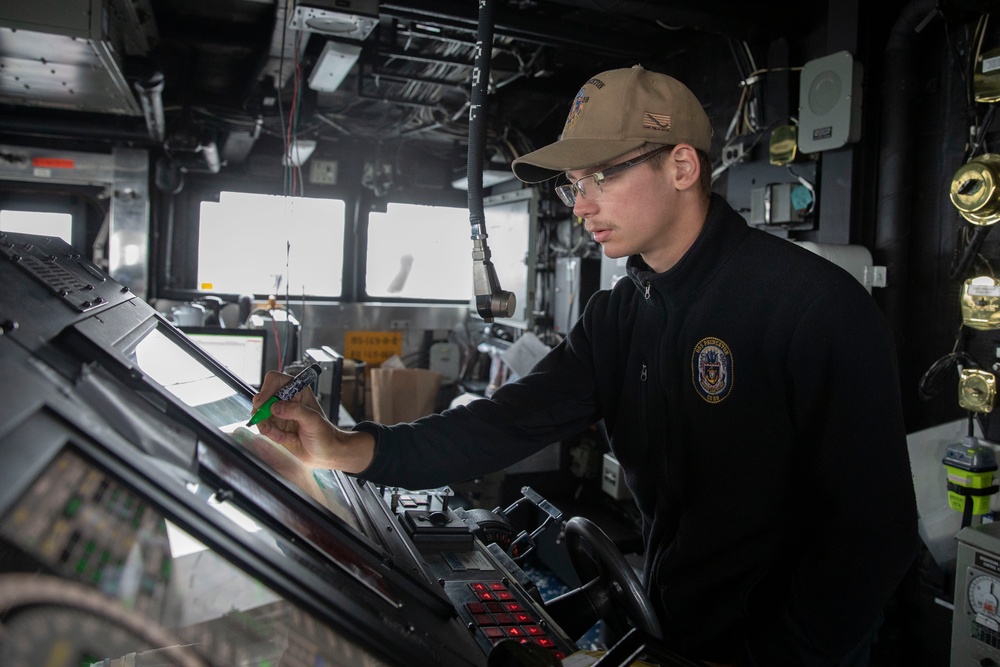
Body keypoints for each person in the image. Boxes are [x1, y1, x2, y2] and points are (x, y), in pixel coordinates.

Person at [252, 65, 919, 666]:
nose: (580, 204)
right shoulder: (620, 315)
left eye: (603, 175)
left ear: (682, 166)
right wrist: (347, 448)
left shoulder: (812, 307)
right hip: (672, 630)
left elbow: (872, 537)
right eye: (575, 183)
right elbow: (503, 424)